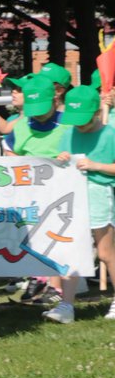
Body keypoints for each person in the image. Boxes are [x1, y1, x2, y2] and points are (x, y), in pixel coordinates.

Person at [4, 76, 72, 315]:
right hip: (32, 194)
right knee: (41, 242)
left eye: (42, 109)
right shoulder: (22, 125)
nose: (38, 115)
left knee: (60, 241)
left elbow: (81, 148)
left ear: (55, 97)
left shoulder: (68, 123)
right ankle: (49, 285)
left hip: (65, 194)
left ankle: (59, 288)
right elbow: (9, 150)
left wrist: (68, 156)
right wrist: (17, 161)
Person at [55, 85, 115, 322]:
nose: (79, 125)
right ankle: (66, 305)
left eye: (83, 119)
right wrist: (61, 160)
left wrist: (96, 166)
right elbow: (60, 163)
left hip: (99, 193)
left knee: (106, 252)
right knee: (72, 250)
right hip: (73, 195)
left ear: (94, 112)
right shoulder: (68, 133)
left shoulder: (110, 134)